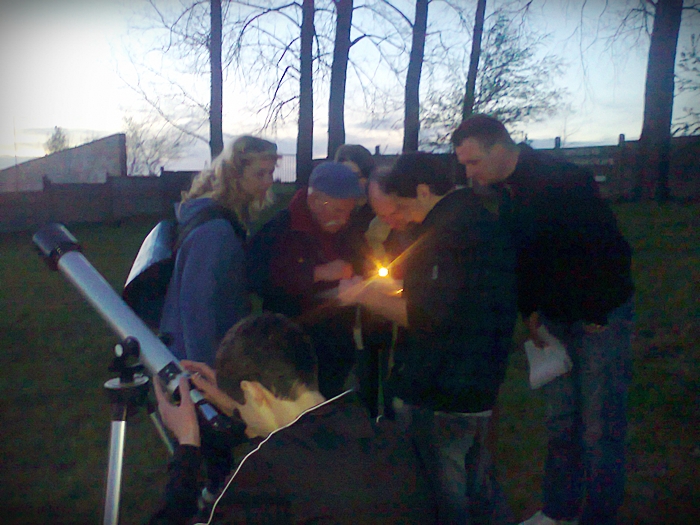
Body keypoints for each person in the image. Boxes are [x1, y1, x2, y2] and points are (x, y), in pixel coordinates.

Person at [451, 114, 635, 525]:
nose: (469, 172)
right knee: (560, 423)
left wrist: (598, 311)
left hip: (597, 319)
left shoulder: (564, 182)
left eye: (473, 162)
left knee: (597, 428)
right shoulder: (509, 193)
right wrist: (530, 311)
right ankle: (558, 511)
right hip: (553, 320)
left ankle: (596, 516)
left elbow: (608, 251)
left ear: (500, 147)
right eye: (464, 164)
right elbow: (526, 259)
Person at [339, 152, 517, 524]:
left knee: (444, 494)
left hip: (444, 388)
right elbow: (448, 296)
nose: (396, 220)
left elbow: (427, 316)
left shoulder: (448, 231)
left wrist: (364, 295)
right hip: (477, 380)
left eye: (398, 209)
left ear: (422, 191)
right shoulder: (477, 219)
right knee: (479, 483)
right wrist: (391, 287)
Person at [151, 312, 437, 524]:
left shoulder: (262, 477)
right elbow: (304, 443)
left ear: (252, 391)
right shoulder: (389, 437)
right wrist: (241, 406)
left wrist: (188, 445)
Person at [158, 134, 279, 503]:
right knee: (214, 458)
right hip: (199, 364)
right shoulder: (216, 231)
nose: (269, 181)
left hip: (203, 358)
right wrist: (209, 384)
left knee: (213, 458)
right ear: (235, 174)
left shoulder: (221, 218)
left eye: (271, 172)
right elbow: (197, 310)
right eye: (261, 173)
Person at [246, 162, 368, 400]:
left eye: (348, 212)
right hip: (292, 346)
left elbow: (364, 263)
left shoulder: (348, 231)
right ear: (314, 200)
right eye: (337, 212)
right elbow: (257, 278)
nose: (344, 220)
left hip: (337, 347)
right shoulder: (281, 230)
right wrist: (315, 273)